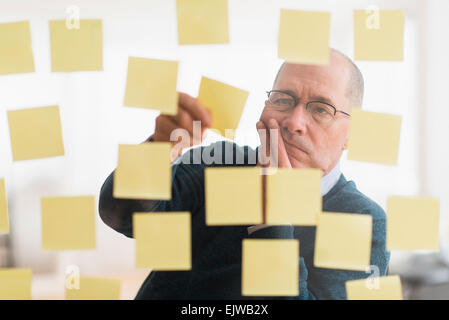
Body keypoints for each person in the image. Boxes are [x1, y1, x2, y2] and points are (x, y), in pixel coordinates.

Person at [98, 49, 389, 299]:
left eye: (321, 109)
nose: (294, 122)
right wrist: (158, 151)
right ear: (264, 109)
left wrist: (272, 218)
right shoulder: (221, 163)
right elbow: (121, 215)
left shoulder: (360, 219)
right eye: (283, 100)